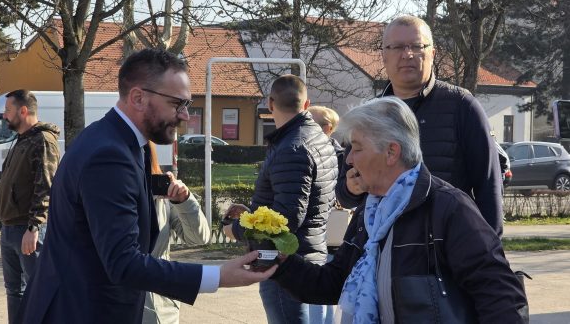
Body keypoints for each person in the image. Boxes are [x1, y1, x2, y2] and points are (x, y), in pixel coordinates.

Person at [17, 49, 277, 324]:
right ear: (138, 98)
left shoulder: (120, 143)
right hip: (80, 311)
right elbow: (123, 262)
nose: (185, 116)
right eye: (177, 104)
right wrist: (217, 276)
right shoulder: (109, 154)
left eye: (187, 104)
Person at [273, 97, 528, 323]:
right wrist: (279, 261)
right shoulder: (369, 213)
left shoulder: (449, 208)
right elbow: (333, 283)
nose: (349, 159)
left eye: (357, 148)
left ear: (391, 152)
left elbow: (501, 297)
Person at [336, 15, 504, 236]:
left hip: (445, 243)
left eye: (417, 46)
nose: (407, 54)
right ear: (384, 56)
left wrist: (489, 246)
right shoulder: (369, 114)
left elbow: (489, 185)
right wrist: (352, 189)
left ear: (432, 53)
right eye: (397, 47)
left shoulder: (462, 106)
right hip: (383, 244)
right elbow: (344, 193)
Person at [223, 75, 338, 324]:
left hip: (284, 263)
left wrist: (237, 229)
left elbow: (286, 219)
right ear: (306, 104)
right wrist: (251, 214)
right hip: (311, 255)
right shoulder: (319, 139)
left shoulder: (291, 147)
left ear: (270, 103)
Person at [0, 89, 60, 324]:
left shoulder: (43, 141)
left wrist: (34, 227)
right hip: (10, 228)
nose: (4, 116)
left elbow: (47, 187)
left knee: (39, 290)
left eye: (7, 110)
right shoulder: (22, 140)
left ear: (23, 111)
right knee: (14, 291)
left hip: (28, 230)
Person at [142, 141, 210, 324]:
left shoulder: (161, 194)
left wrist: (184, 201)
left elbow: (198, 238)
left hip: (162, 308)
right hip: (117, 305)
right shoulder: (106, 196)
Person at [307, 105, 345, 324]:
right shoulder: (302, 151)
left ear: (328, 128)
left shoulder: (343, 157)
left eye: (312, 123)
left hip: (332, 235)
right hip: (310, 234)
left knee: (326, 294)